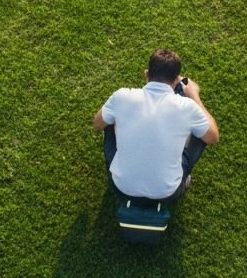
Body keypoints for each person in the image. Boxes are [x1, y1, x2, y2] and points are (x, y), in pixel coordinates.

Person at [93, 49, 220, 201]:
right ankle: (183, 180)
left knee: (109, 118)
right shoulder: (188, 107)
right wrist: (195, 97)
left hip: (121, 188)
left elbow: (97, 124)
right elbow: (213, 137)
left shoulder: (121, 96)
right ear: (176, 80)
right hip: (168, 193)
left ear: (146, 74)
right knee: (203, 130)